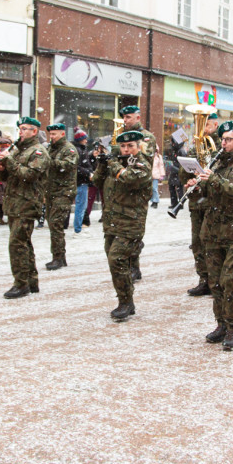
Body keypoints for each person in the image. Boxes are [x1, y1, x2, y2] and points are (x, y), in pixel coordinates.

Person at [188, 121, 233, 351]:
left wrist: (216, 181)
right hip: (213, 233)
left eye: (229, 139)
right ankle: (221, 325)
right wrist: (197, 188)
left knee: (231, 282)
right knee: (216, 283)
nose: (224, 143)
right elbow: (209, 196)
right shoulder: (216, 163)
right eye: (223, 139)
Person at [93, 129, 152, 321]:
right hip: (112, 222)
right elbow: (96, 181)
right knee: (116, 263)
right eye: (123, 146)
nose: (126, 150)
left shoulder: (142, 164)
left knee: (117, 259)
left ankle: (125, 302)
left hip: (131, 223)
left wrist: (112, 162)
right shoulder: (116, 163)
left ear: (139, 146)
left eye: (131, 146)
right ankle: (127, 300)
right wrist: (102, 163)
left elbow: (128, 178)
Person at [0, 117, 51, 298]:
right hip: (14, 203)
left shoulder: (38, 152)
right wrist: (1, 168)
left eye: (25, 129)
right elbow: (7, 179)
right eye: (19, 128)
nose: (20, 132)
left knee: (16, 244)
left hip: (26, 204)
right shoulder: (18, 150)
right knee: (23, 243)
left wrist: (10, 161)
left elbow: (29, 175)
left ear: (34, 131)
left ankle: (21, 283)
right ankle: (31, 281)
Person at [118, 105, 156, 282]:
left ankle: (134, 267)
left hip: (139, 189)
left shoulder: (147, 137)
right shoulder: (121, 136)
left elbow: (143, 159)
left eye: (128, 117)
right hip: (122, 188)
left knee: (134, 230)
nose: (125, 121)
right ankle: (128, 264)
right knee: (123, 230)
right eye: (124, 118)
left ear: (138, 118)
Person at [185, 111, 220, 296]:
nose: (203, 130)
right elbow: (185, 174)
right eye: (200, 125)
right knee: (197, 242)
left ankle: (215, 281)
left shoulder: (221, 146)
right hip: (196, 202)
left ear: (215, 125)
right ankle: (203, 279)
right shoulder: (195, 147)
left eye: (206, 125)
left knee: (211, 243)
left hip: (212, 203)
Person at [44, 123, 78, 270]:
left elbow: (68, 165)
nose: (51, 137)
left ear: (62, 134)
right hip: (51, 191)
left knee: (56, 223)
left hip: (64, 191)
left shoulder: (69, 149)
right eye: (50, 134)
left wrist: (50, 162)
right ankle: (60, 256)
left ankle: (57, 257)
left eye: (54, 134)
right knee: (52, 224)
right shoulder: (50, 148)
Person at [72, 130, 92, 233]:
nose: (86, 140)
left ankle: (78, 227)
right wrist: (88, 173)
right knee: (81, 206)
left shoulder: (81, 149)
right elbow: (77, 167)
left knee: (81, 205)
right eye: (84, 138)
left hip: (81, 181)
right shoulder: (79, 150)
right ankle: (78, 228)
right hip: (81, 181)